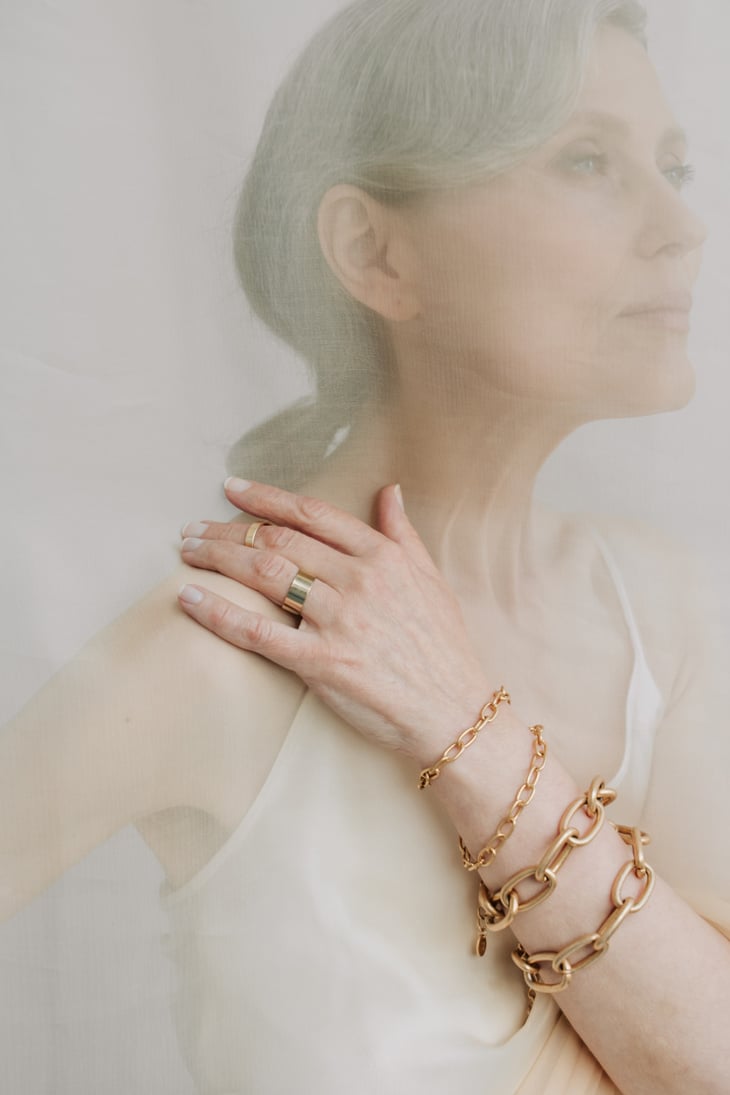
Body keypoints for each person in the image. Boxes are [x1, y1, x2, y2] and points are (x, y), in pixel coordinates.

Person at [2, 1, 729, 1092]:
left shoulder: (672, 615)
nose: (682, 227)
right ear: (374, 251)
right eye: (587, 161)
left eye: (670, 167)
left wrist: (457, 721)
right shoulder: (207, 654)